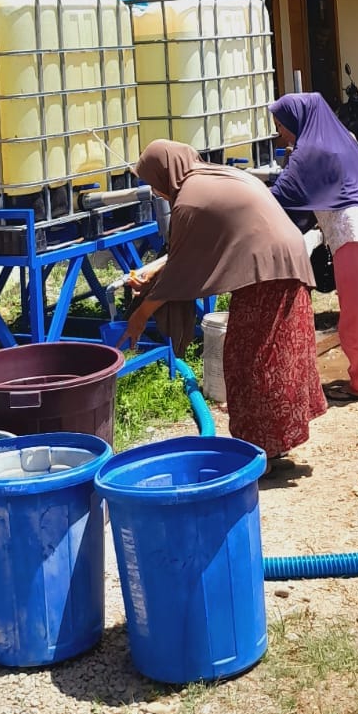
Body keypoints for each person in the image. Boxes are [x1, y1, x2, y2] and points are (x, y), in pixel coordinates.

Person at [121, 140, 327, 471]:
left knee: (251, 361)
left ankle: (259, 453)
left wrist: (140, 316)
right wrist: (154, 269)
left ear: (164, 172)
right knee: (276, 356)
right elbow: (187, 252)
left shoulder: (188, 201)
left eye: (152, 181)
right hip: (282, 263)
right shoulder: (212, 176)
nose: (155, 190)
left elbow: (182, 270)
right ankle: (271, 446)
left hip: (266, 274)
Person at [269, 92, 358, 402]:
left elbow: (277, 200)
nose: (280, 133)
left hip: (356, 231)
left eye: (280, 125)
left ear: (297, 120)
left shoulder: (308, 152)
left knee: (354, 313)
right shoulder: (343, 139)